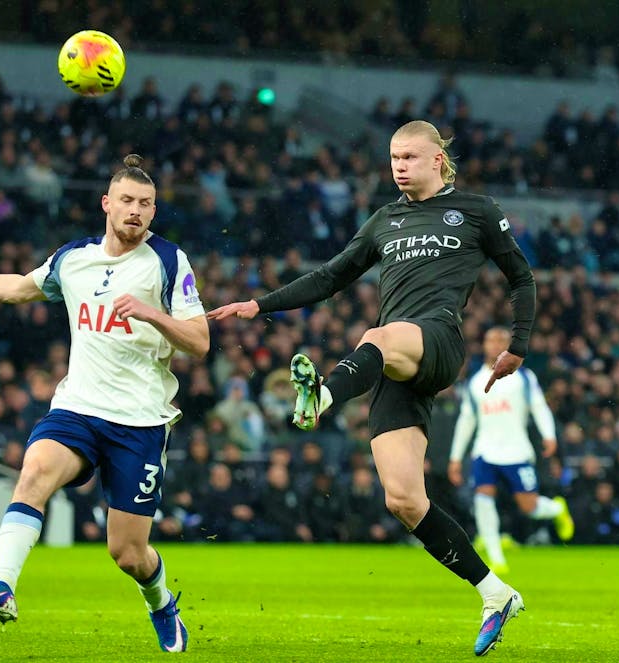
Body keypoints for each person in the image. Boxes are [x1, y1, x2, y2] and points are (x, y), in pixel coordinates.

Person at [208, 120, 535, 656]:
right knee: (404, 500)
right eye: (394, 158)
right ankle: (495, 593)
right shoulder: (385, 220)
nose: (399, 166)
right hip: (393, 364)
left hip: (437, 340)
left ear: (437, 160)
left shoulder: (476, 210)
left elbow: (521, 276)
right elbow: (330, 276)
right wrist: (259, 304)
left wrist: (517, 344)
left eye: (410, 157)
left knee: (377, 335)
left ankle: (322, 396)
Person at [0, 154, 208, 652]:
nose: (136, 211)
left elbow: (199, 341)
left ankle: (161, 603)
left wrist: (151, 314)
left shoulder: (167, 261)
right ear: (106, 203)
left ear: (154, 211)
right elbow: (19, 289)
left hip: (139, 421)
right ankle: (2, 586)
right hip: (78, 408)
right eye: (127, 200)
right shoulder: (73, 258)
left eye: (145, 204)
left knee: (128, 553)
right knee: (34, 472)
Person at [448, 326, 575, 574]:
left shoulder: (523, 378)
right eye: (491, 340)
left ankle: (557, 509)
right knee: (483, 498)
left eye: (501, 340)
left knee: (529, 507)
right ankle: (496, 559)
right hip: (484, 450)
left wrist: (549, 435)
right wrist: (455, 457)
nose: (495, 344)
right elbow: (467, 421)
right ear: (484, 345)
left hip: (516, 451)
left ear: (509, 345)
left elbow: (539, 407)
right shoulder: (475, 382)